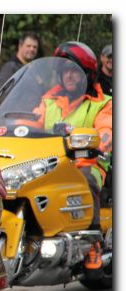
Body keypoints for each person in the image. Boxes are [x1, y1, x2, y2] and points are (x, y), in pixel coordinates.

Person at [27, 41, 112, 276]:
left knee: (86, 179)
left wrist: (99, 143)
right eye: (65, 72)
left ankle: (94, 242)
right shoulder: (49, 101)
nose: (70, 77)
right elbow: (31, 123)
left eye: (75, 71)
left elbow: (106, 132)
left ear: (87, 74)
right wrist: (13, 127)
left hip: (88, 163)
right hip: (50, 165)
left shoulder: (102, 103)